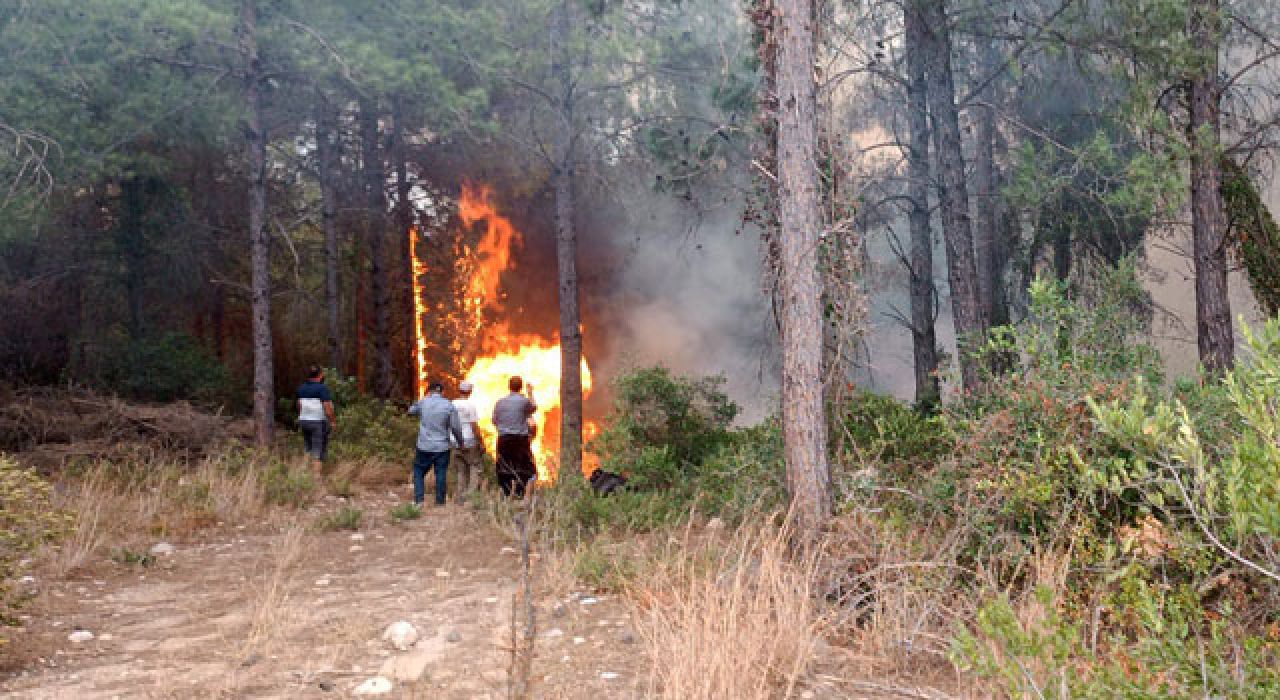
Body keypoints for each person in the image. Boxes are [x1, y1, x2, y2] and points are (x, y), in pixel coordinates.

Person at [408, 381, 465, 506]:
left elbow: (411, 411)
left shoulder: (423, 402)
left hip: (424, 445)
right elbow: (456, 427)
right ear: (442, 392)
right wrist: (460, 442)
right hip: (442, 446)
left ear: (429, 391)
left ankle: (419, 500)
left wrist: (419, 403)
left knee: (418, 471)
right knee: (441, 473)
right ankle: (440, 502)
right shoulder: (449, 405)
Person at [492, 375, 538, 498]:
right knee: (526, 468)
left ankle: (507, 492)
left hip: (503, 439)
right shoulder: (524, 401)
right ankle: (522, 493)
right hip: (520, 440)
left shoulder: (499, 402)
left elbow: (494, 420)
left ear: (509, 387)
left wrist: (504, 429)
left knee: (504, 466)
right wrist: (530, 393)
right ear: (520, 387)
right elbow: (534, 407)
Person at [297, 366, 336, 473]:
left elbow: (299, 405)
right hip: (317, 422)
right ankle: (316, 478)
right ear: (320, 375)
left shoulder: (302, 388)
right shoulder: (322, 388)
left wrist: (301, 417)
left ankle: (304, 473)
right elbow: (327, 408)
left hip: (304, 421)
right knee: (318, 450)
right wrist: (333, 422)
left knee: (308, 447)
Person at [450, 381, 484, 503]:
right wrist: (481, 441)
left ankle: (460, 497)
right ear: (469, 392)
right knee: (475, 467)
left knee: (461, 470)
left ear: (459, 390)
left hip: (454, 441)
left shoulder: (452, 404)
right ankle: (471, 497)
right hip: (469, 441)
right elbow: (474, 426)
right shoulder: (470, 405)